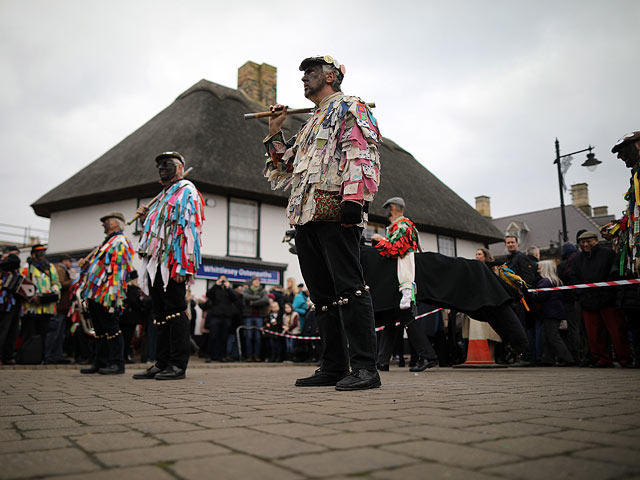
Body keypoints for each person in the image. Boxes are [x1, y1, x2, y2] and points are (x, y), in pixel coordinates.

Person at [263, 55, 381, 390]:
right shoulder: (312, 121)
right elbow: (285, 166)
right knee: (322, 295)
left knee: (350, 287)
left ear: (331, 76)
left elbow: (361, 151)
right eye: (303, 74)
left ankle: (365, 368)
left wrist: (354, 200)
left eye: (311, 72)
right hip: (306, 212)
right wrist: (275, 130)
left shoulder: (350, 107)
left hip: (336, 207)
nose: (304, 78)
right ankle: (333, 365)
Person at [132, 151, 205, 380]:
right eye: (160, 165)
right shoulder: (163, 196)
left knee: (174, 310)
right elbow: (157, 231)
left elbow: (189, 230)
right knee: (160, 313)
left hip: (173, 263)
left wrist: (184, 266)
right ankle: (161, 362)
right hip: (156, 262)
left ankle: (177, 364)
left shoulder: (186, 191)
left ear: (180, 168)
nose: (162, 168)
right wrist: (146, 218)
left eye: (168, 164)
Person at [73, 213, 134, 374]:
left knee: (111, 327)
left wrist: (113, 292)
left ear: (115, 224)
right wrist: (85, 266)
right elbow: (97, 269)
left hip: (108, 292)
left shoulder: (119, 242)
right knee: (99, 329)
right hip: (96, 292)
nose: (103, 225)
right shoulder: (104, 244)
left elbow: (119, 269)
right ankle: (100, 361)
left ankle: (117, 363)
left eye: (106, 222)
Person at [571, 231, 632, 367]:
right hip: (588, 301)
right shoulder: (576, 259)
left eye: (589, 241)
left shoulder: (608, 254)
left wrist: (609, 293)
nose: (586, 244)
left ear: (596, 240)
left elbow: (614, 274)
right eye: (583, 242)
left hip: (608, 300)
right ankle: (602, 359)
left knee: (617, 331)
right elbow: (573, 277)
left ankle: (624, 359)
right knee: (593, 335)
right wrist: (581, 294)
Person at [371, 197, 420, 310]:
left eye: (387, 209)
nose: (387, 213)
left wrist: (381, 240)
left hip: (406, 257)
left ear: (392, 208)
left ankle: (406, 291)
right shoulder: (396, 226)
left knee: (406, 257)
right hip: (400, 252)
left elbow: (397, 249)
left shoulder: (403, 226)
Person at [20, 244, 61, 364]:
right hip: (31, 308)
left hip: (47, 307)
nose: (42, 254)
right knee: (29, 333)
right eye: (39, 252)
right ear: (33, 254)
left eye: (43, 252)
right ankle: (27, 358)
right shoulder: (26, 267)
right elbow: (21, 285)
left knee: (45, 334)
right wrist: (32, 296)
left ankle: (43, 358)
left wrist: (51, 294)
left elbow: (56, 283)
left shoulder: (50, 267)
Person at [534, 260, 575, 366]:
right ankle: (548, 359)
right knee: (548, 336)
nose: (537, 270)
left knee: (552, 337)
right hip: (556, 312)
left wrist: (533, 295)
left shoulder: (544, 282)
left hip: (549, 312)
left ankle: (567, 359)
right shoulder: (556, 281)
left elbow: (541, 297)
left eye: (539, 267)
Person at [204, 274, 237, 362]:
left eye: (224, 280)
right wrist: (215, 285)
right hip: (215, 316)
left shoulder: (229, 290)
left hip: (226, 317)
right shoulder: (215, 289)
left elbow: (235, 298)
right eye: (221, 280)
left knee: (224, 337)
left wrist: (229, 288)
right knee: (213, 336)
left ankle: (221, 356)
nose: (223, 281)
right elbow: (208, 294)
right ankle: (209, 356)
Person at [49, 254, 73, 364]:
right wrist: (73, 281)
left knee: (60, 334)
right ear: (65, 261)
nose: (71, 264)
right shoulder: (60, 269)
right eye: (70, 261)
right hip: (59, 307)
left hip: (62, 308)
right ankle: (52, 356)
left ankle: (57, 356)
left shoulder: (61, 269)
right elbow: (60, 284)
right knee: (56, 333)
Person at [0, 246, 23, 365]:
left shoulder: (15, 270)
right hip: (3, 303)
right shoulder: (2, 267)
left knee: (12, 331)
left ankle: (8, 356)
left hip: (14, 303)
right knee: (2, 330)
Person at [242, 276, 270, 362]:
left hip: (259, 317)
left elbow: (265, 300)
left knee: (258, 337)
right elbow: (246, 297)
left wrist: (253, 302)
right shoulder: (247, 290)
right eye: (255, 280)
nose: (257, 282)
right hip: (249, 317)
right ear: (252, 282)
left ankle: (257, 356)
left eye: (258, 280)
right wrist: (259, 298)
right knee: (249, 337)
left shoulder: (263, 290)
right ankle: (249, 356)